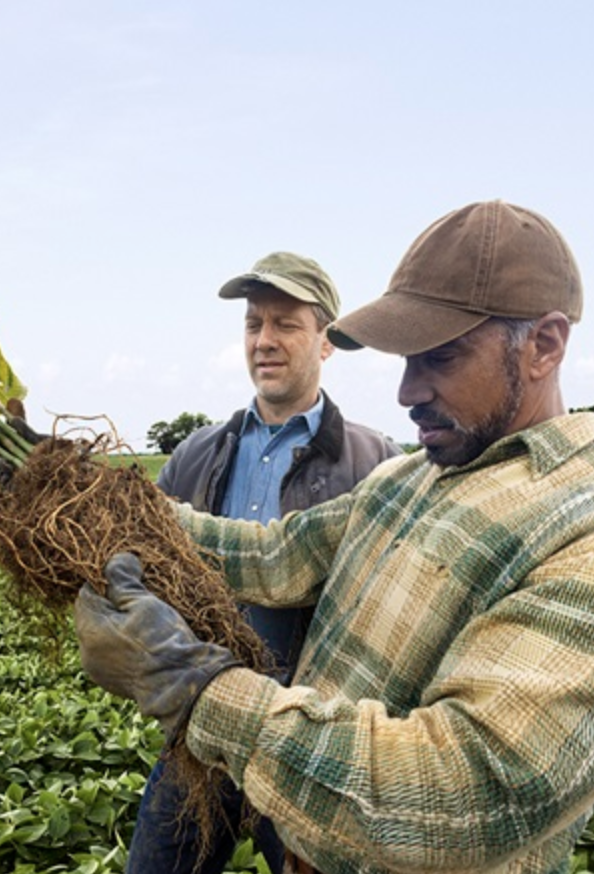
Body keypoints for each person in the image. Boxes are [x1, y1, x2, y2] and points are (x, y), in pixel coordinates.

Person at [0, 200, 594, 873]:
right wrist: (40, 478)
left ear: (544, 344)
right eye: (407, 359)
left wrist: (191, 684)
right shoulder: (410, 480)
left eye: (440, 357)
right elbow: (265, 556)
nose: (408, 391)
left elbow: (469, 795)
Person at [129, 252, 402, 874]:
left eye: (286, 323)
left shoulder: (374, 461)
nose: (265, 341)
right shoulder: (199, 452)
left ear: (326, 339)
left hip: (308, 745)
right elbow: (138, 557)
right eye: (254, 324)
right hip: (201, 732)